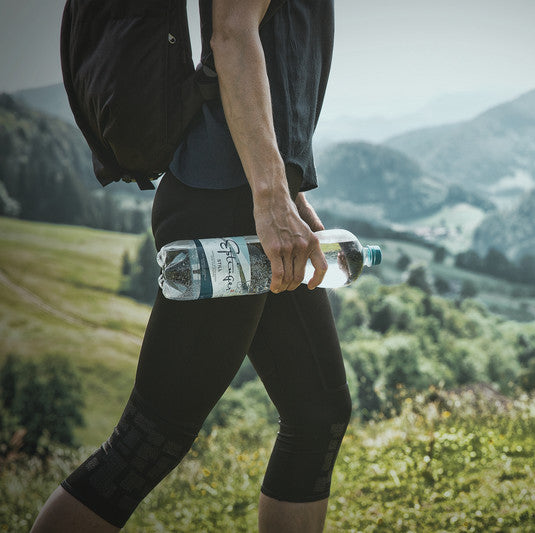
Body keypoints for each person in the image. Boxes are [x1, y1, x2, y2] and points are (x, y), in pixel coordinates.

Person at [31, 0, 350, 531]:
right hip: (223, 205)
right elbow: (230, 33)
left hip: (240, 198)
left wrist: (287, 194)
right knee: (147, 442)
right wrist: (271, 199)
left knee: (317, 415)